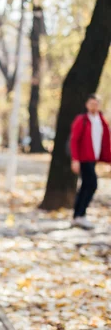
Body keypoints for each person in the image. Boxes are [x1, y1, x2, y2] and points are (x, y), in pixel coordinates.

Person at [69, 93, 111, 229]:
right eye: (91, 104)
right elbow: (74, 140)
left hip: (94, 158)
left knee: (85, 186)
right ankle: (80, 215)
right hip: (84, 158)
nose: (94, 106)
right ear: (87, 105)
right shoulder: (82, 120)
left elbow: (105, 142)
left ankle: (78, 216)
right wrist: (75, 159)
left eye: (96, 104)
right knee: (92, 184)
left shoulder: (101, 121)